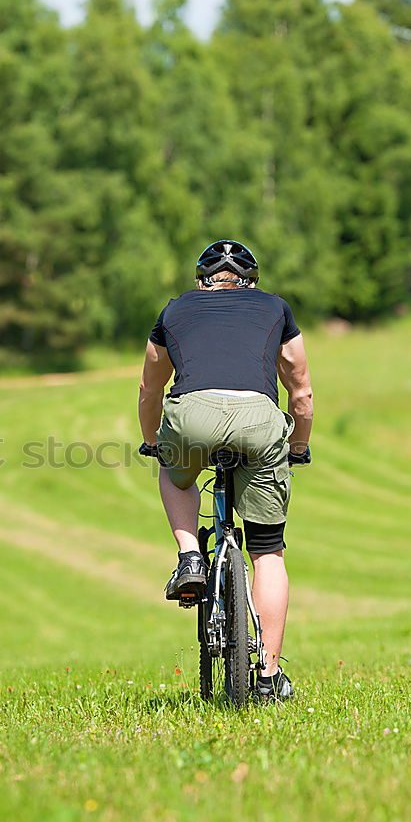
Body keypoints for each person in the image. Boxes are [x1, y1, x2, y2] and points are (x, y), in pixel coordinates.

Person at [138, 240, 313, 702]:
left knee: (174, 472)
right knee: (268, 553)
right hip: (259, 420)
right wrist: (298, 446)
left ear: (202, 280)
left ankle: (190, 556)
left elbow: (149, 388)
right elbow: (301, 392)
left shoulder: (175, 311)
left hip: (191, 414)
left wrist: (154, 443)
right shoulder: (276, 308)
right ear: (251, 281)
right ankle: (269, 677)